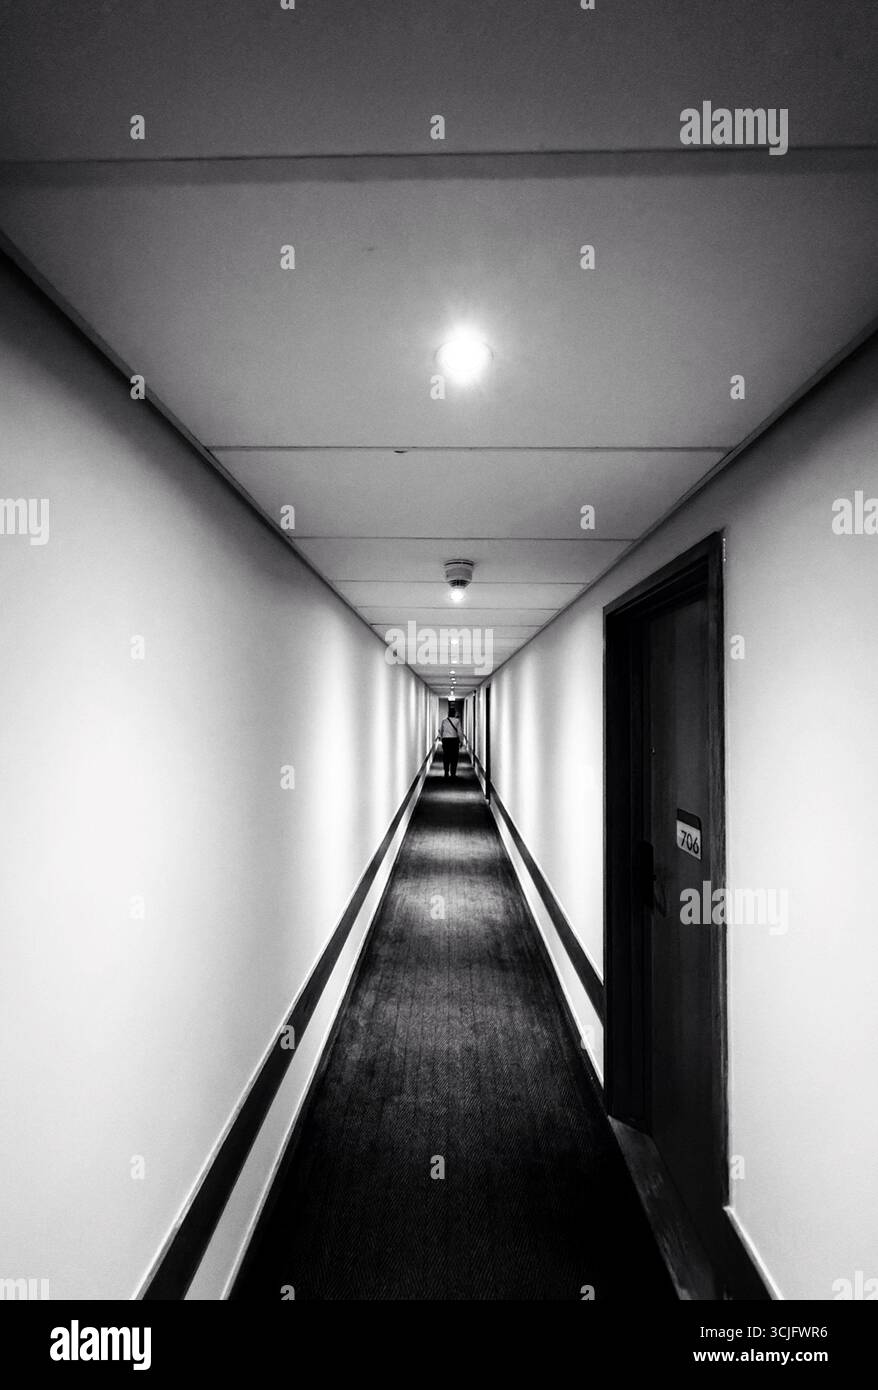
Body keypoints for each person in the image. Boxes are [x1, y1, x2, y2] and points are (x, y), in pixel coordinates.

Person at [438, 706, 462, 779]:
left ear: (448, 713)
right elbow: (459, 732)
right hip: (454, 740)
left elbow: (440, 730)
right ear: (454, 713)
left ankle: (446, 772)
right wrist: (461, 741)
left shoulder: (444, 721)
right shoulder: (457, 721)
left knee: (446, 756)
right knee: (454, 757)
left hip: (446, 741)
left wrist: (441, 738)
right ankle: (453, 773)